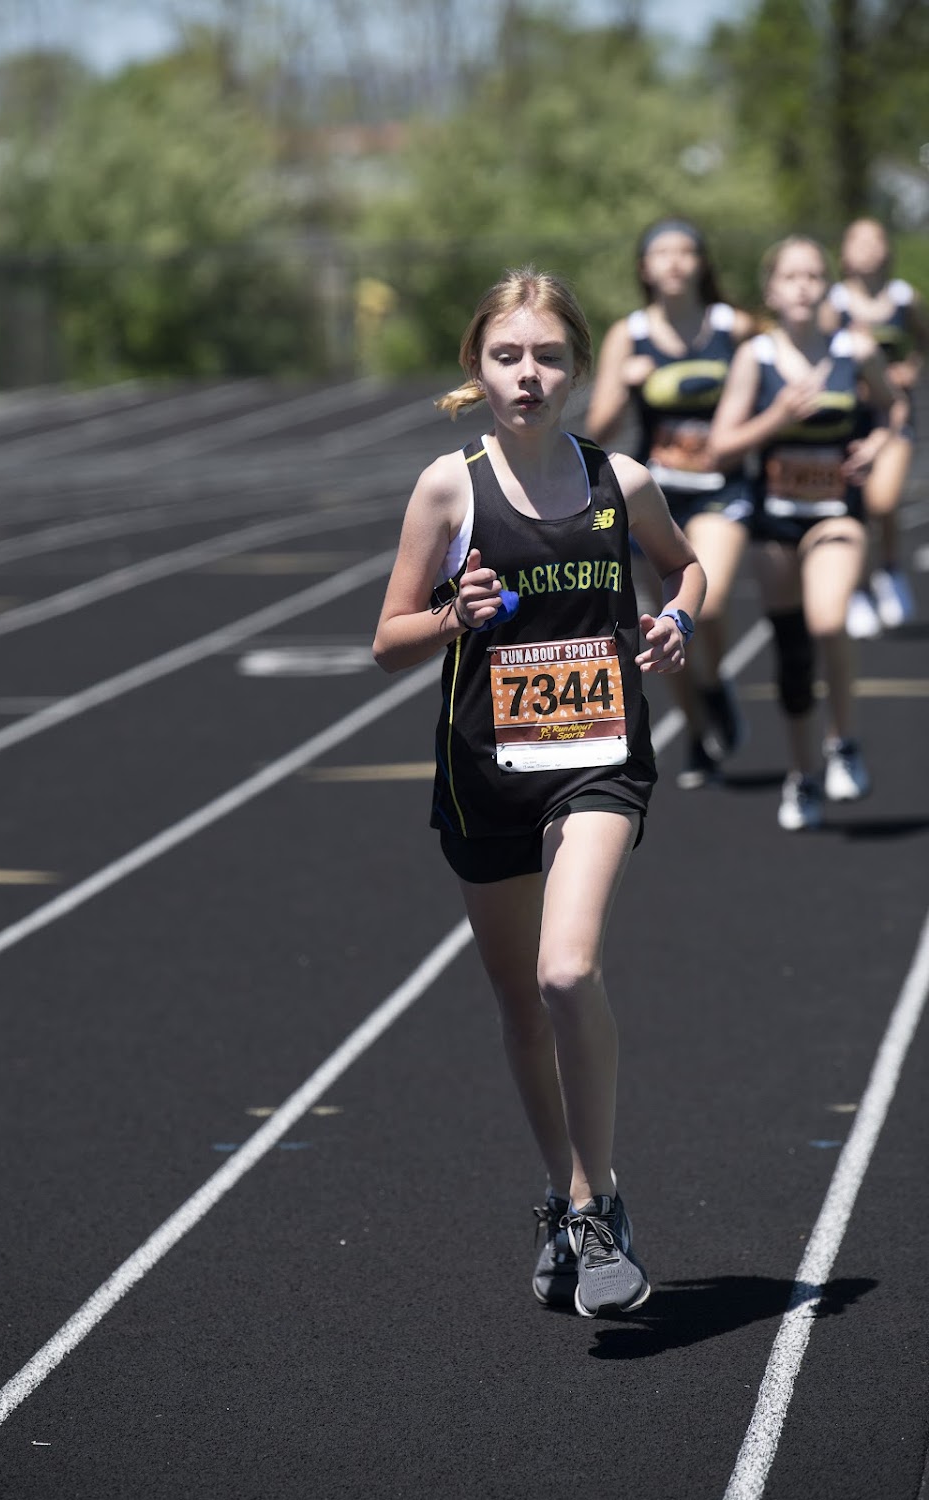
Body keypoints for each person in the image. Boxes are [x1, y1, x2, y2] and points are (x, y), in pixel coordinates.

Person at [373, 267, 706, 1317]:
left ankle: (598, 1206)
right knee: (522, 1004)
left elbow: (685, 568)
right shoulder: (448, 488)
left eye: (549, 357)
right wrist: (454, 616)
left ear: (579, 368)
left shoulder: (622, 480)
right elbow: (387, 641)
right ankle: (561, 1194)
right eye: (508, 355)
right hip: (487, 775)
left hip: (599, 759)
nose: (529, 375)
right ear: (477, 367)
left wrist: (677, 620)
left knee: (567, 972)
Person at [709, 235, 903, 831]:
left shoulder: (855, 350)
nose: (802, 286)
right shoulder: (755, 357)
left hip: (836, 513)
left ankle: (844, 741)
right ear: (770, 290)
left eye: (814, 275)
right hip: (774, 522)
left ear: (828, 287)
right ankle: (802, 774)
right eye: (790, 276)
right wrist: (776, 418)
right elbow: (720, 448)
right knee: (793, 651)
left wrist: (877, 442)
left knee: (828, 619)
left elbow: (894, 407)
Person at [585, 218, 755, 790]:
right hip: (655, 496)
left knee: (709, 597)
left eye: (686, 251)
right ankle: (699, 729)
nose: (675, 262)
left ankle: (713, 682)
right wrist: (628, 384)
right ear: (644, 268)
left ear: (702, 263)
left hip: (722, 488)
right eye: (663, 252)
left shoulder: (735, 327)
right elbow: (599, 427)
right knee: (663, 625)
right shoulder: (629, 334)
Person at [827, 218, 929, 636]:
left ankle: (890, 568)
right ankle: (858, 587)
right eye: (858, 240)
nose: (868, 248)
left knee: (882, 502)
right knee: (852, 506)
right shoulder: (833, 302)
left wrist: (910, 368)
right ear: (844, 252)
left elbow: (923, 340)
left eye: (876, 240)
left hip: (893, 415)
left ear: (887, 249)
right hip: (850, 419)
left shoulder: (905, 299)